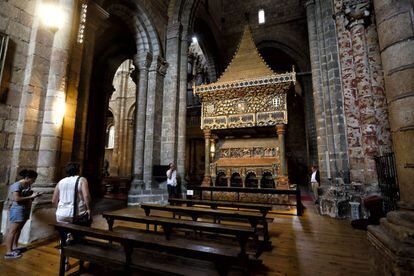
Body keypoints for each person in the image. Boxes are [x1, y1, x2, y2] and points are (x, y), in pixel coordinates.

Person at [52, 162, 91, 271]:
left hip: (61, 214)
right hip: (76, 214)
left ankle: (64, 263)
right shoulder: (82, 180)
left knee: (63, 238)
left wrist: (59, 209)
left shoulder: (61, 182)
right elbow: (86, 196)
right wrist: (88, 208)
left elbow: (54, 200)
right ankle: (81, 262)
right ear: (78, 170)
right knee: (80, 237)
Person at [4, 169, 41, 259]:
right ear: (27, 178)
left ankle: (15, 247)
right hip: (17, 209)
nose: (34, 181)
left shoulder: (27, 185)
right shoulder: (17, 185)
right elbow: (17, 199)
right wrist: (31, 196)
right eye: (33, 179)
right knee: (12, 231)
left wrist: (34, 196)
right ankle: (8, 252)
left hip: (25, 209)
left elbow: (27, 197)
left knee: (19, 229)